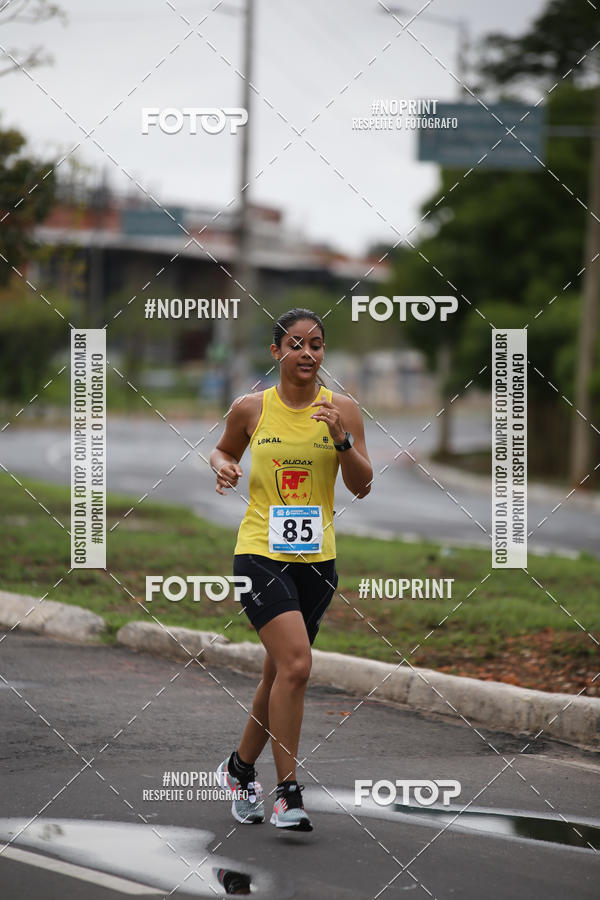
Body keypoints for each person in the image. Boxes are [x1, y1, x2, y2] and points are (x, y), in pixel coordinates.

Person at [212, 308, 372, 831]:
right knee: (298, 666)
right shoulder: (251, 408)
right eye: (297, 344)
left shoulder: (342, 408)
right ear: (276, 351)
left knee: (280, 672)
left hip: (317, 562)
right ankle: (287, 792)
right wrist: (225, 467)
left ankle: (239, 770)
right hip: (260, 552)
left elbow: (362, 485)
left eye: (318, 345)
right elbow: (219, 450)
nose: (308, 354)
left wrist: (343, 439)